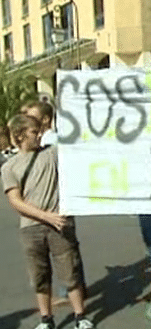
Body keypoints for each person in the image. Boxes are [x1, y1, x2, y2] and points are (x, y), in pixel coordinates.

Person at [1, 114, 98, 329]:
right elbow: (15, 201)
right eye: (35, 132)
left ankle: (80, 317)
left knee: (70, 272)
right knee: (40, 276)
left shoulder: (52, 154)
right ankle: (46, 319)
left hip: (60, 226)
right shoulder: (10, 167)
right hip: (31, 228)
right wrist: (46, 216)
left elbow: (80, 142)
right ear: (20, 135)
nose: (40, 135)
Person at [21, 99, 87, 304]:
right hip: (53, 203)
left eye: (32, 117)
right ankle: (73, 289)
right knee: (66, 250)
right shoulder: (44, 142)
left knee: (65, 251)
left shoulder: (52, 143)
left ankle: (72, 291)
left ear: (46, 119)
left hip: (58, 203)